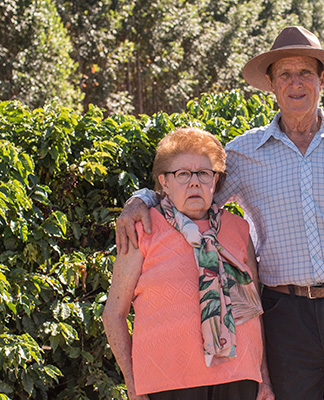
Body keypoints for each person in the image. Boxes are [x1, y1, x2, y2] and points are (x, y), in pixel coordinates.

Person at [116, 26, 324, 400]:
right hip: (286, 313)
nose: (295, 83)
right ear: (270, 84)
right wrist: (141, 198)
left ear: (322, 79)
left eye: (305, 73)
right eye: (285, 74)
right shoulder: (243, 153)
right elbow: (193, 192)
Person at [103, 127, 274, 400]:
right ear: (164, 183)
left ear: (215, 181)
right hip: (166, 383)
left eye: (204, 173)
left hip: (240, 378)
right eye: (182, 174)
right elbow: (113, 314)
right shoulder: (142, 229)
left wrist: (263, 378)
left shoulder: (238, 229)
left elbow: (253, 310)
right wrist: (133, 386)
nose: (194, 182)